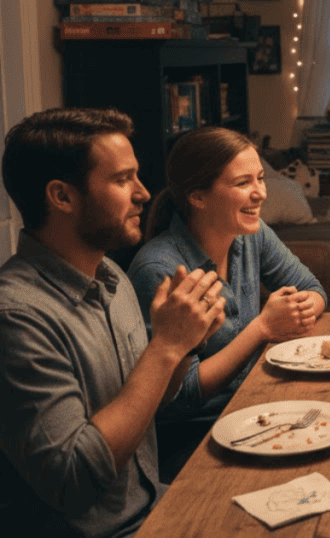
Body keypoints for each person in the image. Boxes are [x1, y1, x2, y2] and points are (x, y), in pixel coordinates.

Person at [0, 107, 225, 537]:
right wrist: (165, 348)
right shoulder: (17, 317)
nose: (143, 193)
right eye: (123, 180)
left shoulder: (110, 276)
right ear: (62, 197)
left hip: (155, 505)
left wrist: (185, 344)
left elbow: (144, 403)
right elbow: (72, 480)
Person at [128, 126, 326, 479]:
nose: (260, 193)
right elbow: (180, 397)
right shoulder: (160, 270)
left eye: (261, 179)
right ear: (198, 197)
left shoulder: (252, 234)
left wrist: (302, 307)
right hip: (194, 441)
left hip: (255, 408)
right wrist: (263, 328)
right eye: (242, 183)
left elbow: (312, 288)